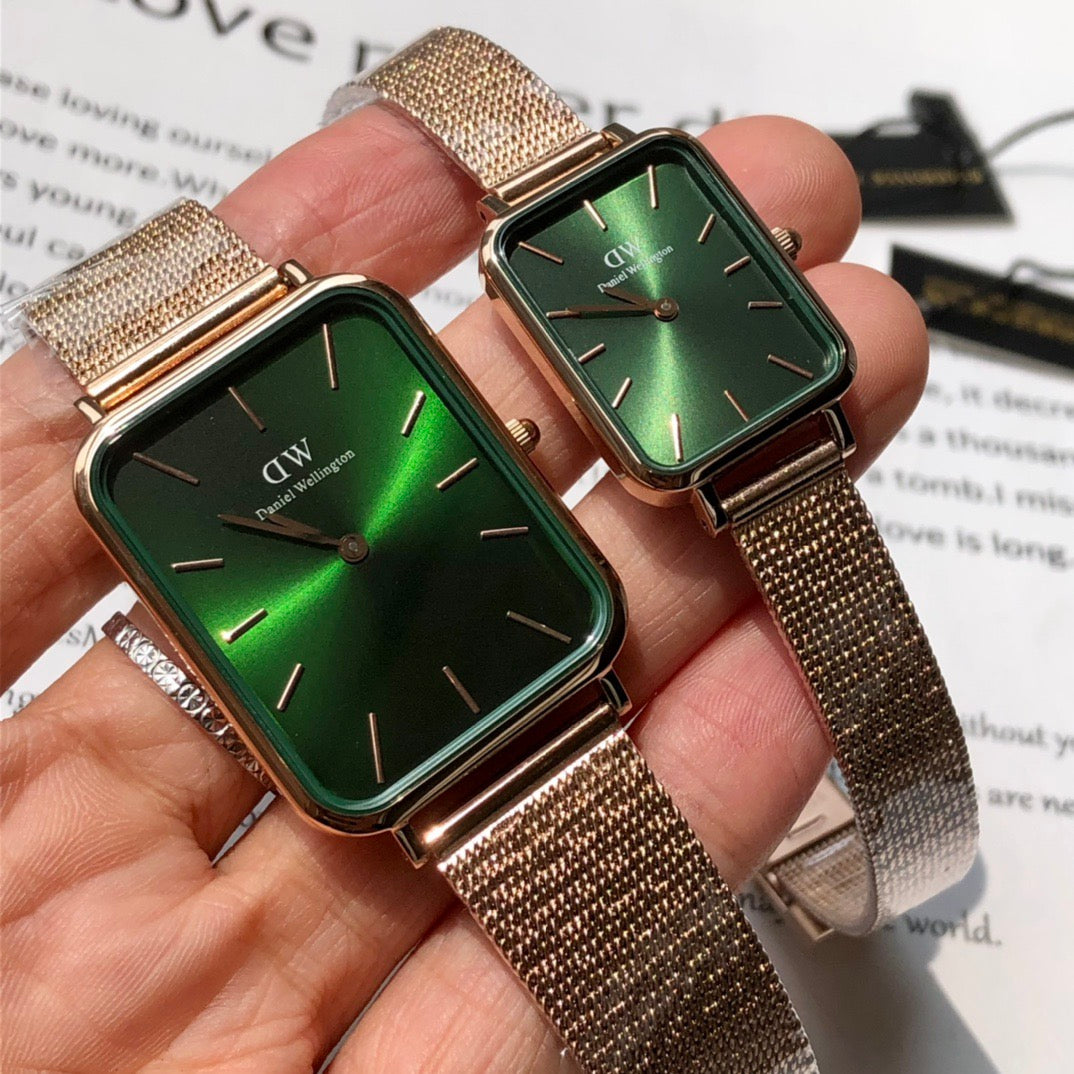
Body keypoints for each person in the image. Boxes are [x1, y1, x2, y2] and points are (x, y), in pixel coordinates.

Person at [0, 101, 928, 1072]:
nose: (352, 545)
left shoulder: (346, 335)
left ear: (511, 442)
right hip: (439, 772)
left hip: (547, 690)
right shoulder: (157, 465)